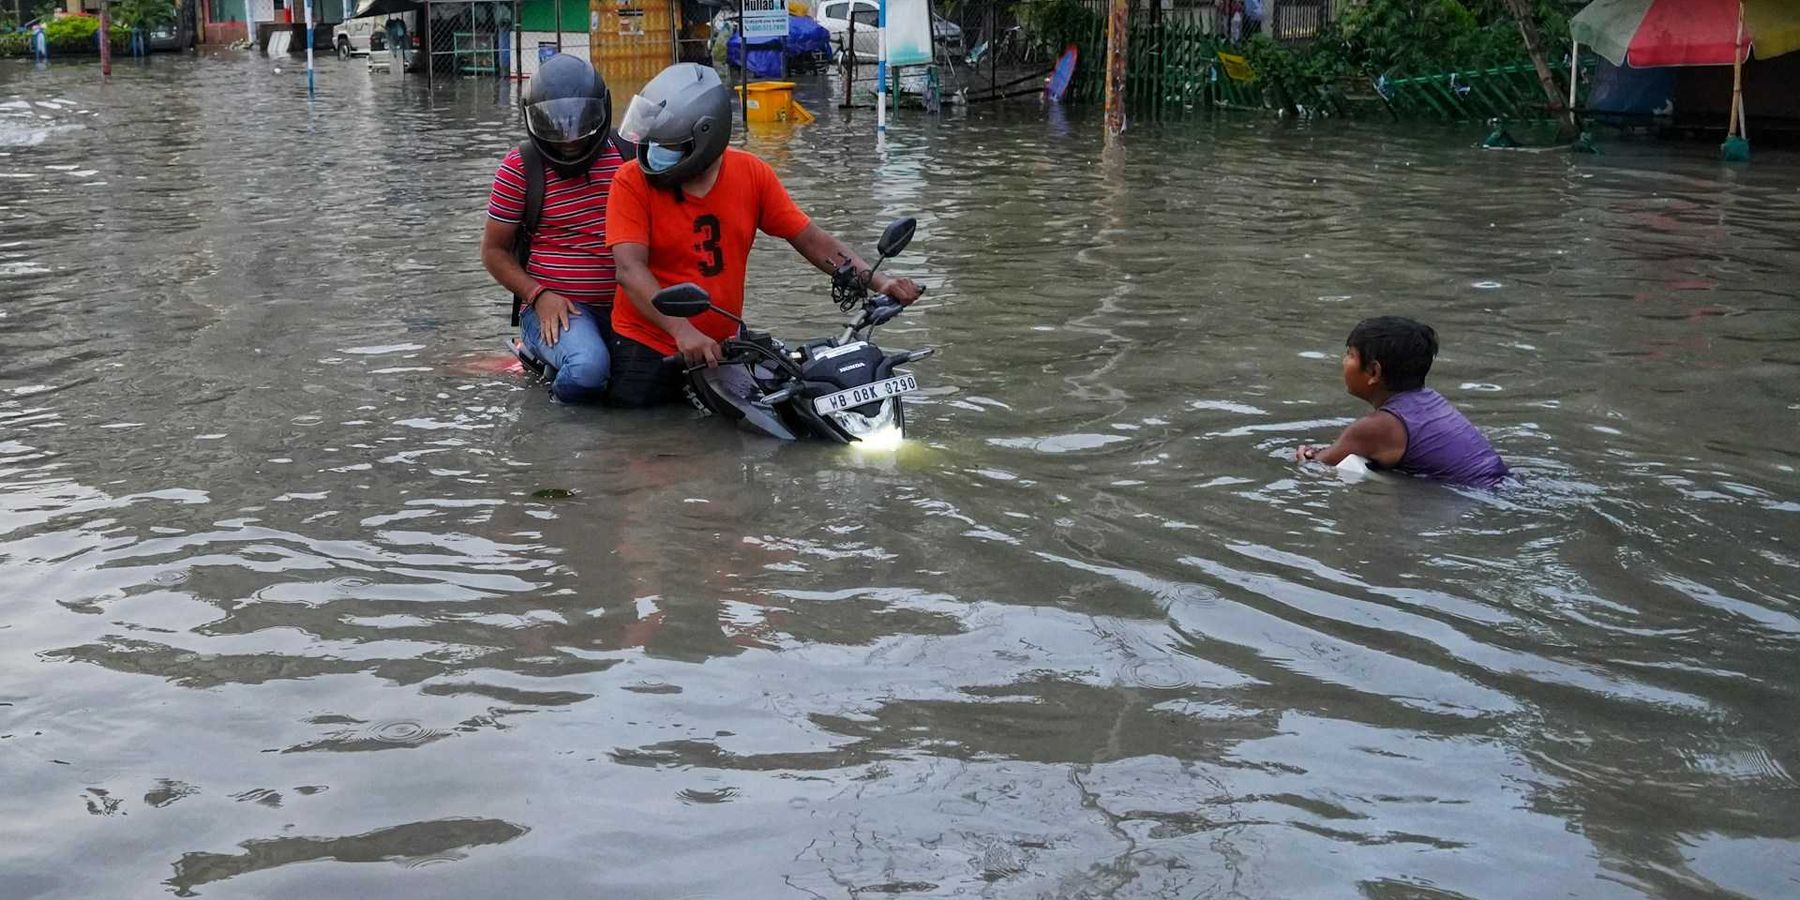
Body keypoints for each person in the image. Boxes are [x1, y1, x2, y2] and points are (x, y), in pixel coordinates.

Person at [603, 63, 924, 408]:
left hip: (723, 345)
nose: (654, 154)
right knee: (636, 440)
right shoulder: (630, 180)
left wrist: (879, 282)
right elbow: (629, 270)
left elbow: (810, 239)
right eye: (654, 144)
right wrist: (682, 331)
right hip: (647, 344)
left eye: (669, 146)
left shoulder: (751, 173)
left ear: (706, 137)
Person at [479, 54, 625, 403]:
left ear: (601, 111)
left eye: (579, 121)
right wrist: (538, 296)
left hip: (630, 307)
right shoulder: (521, 167)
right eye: (555, 123)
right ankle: (553, 415)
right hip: (555, 310)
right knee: (588, 369)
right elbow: (493, 252)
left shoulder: (628, 157)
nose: (568, 137)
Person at [1296, 316, 1510, 488]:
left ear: (1373, 371)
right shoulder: (1431, 400)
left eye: (1350, 354)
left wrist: (1305, 455)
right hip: (1504, 484)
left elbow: (1319, 464)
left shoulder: (1376, 426)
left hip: (1483, 496)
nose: (1344, 362)